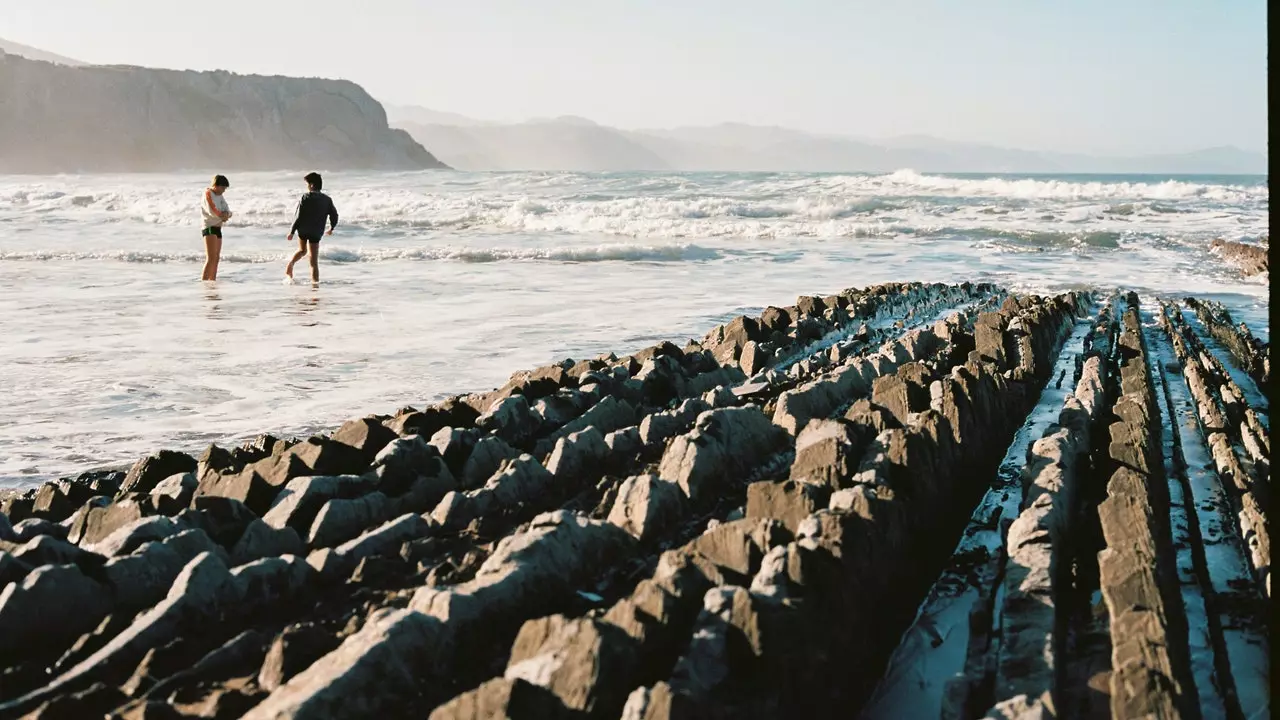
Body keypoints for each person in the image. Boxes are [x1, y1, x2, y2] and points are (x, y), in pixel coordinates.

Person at [285, 172, 339, 283]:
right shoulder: (327, 200)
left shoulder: (305, 197)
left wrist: (292, 231)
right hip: (316, 232)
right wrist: (331, 228)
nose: (307, 187)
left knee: (302, 250)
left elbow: (298, 216)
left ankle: (291, 263)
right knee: (314, 263)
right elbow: (334, 215)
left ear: (312, 185)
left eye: (308, 184)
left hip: (303, 229)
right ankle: (315, 286)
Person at [200, 175, 232, 281]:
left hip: (218, 228)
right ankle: (204, 281)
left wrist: (227, 214)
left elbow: (226, 208)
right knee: (211, 258)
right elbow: (212, 211)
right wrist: (222, 216)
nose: (223, 191)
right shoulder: (208, 194)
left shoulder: (220, 196)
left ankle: (212, 280)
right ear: (216, 185)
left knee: (216, 258)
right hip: (209, 227)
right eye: (223, 188)